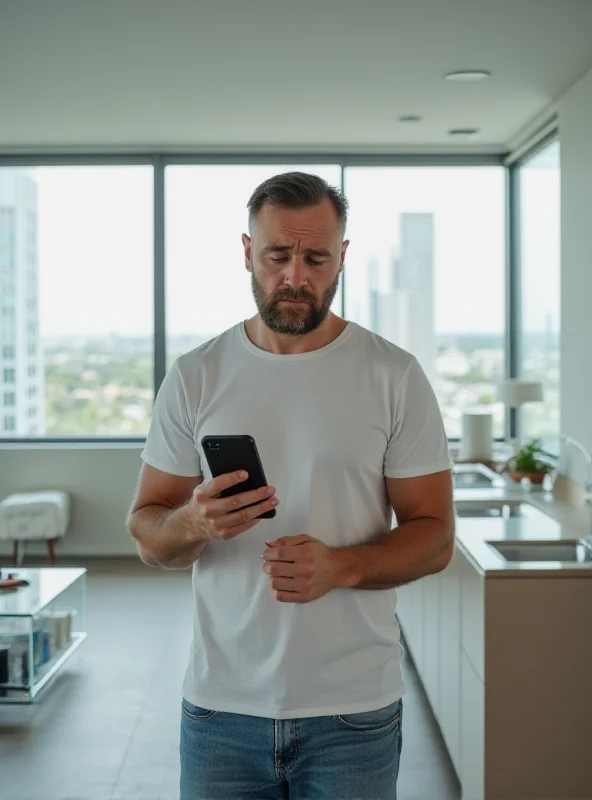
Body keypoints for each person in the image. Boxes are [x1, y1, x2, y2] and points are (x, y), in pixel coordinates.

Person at [127, 171, 455, 800]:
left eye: (316, 258)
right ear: (248, 252)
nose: (295, 277)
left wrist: (344, 567)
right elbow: (147, 533)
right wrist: (192, 524)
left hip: (352, 711)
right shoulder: (197, 376)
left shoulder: (394, 375)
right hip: (221, 711)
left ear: (342, 259)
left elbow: (434, 537)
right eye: (277, 255)